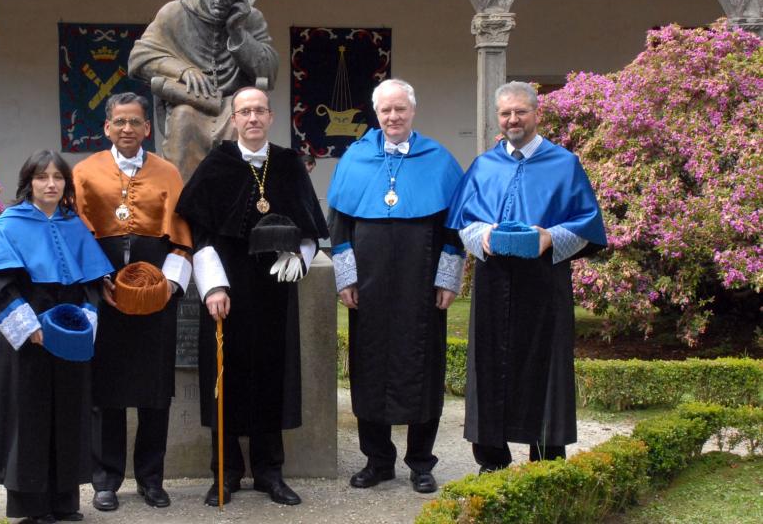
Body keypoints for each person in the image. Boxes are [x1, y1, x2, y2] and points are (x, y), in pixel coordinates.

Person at [176, 87, 328, 507]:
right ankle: (224, 473)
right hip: (227, 289)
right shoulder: (218, 164)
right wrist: (214, 286)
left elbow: (310, 227)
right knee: (224, 379)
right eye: (245, 112)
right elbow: (200, 233)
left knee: (271, 377)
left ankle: (269, 471)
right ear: (234, 119)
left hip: (274, 291)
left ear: (271, 117)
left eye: (260, 110)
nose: (253, 118)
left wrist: (301, 256)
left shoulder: (288, 164)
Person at [445, 81, 607, 473]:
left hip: (544, 283)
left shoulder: (564, 164)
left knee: (545, 365)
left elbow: (588, 226)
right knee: (488, 365)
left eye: (520, 112)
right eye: (505, 113)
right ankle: (491, 459)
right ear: (497, 118)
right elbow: (461, 221)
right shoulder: (484, 166)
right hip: (493, 280)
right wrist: (481, 235)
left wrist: (550, 237)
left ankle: (546, 459)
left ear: (537, 113)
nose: (513, 119)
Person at [326, 79, 465, 494]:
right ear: (376, 113)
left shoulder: (438, 160)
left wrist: (447, 279)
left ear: (412, 111)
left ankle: (421, 462)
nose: (393, 117)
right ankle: (378, 460)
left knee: (422, 369)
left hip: (420, 287)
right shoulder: (355, 158)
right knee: (368, 370)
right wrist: (346, 278)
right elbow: (339, 226)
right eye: (386, 110)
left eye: (400, 109)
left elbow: (454, 228)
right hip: (367, 288)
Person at [0, 150, 113, 524]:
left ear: (66, 184)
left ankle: (64, 501)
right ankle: (31, 507)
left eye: (57, 177)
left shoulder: (74, 224)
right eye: (42, 177)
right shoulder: (6, 225)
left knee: (68, 413)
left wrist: (86, 317)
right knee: (28, 415)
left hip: (68, 333)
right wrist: (30, 327)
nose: (50, 184)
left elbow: (92, 283)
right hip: (27, 338)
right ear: (28, 182)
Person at [72, 93, 193, 512]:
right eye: (119, 121)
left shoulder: (168, 172)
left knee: (154, 389)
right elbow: (77, 234)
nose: (127, 129)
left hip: (156, 291)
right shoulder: (84, 173)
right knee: (105, 391)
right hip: (104, 292)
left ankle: (151, 478)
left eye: (135, 122)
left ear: (146, 128)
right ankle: (105, 480)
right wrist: (97, 280)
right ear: (107, 127)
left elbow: (181, 236)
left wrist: (171, 287)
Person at [128, 0, 278, 181]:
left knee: (238, 118)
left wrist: (238, 33)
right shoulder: (175, 12)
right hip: (189, 101)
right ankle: (184, 202)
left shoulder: (251, 19)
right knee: (184, 117)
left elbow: (269, 71)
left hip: (232, 102)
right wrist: (182, 70)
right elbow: (139, 58)